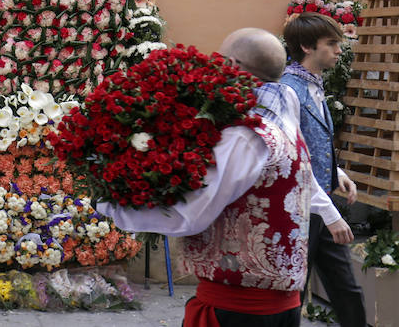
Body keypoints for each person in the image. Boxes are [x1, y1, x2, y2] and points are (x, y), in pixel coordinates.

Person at [97, 29, 353, 327]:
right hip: (278, 307)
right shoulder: (283, 119)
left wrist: (110, 207)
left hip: (240, 309)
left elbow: (192, 214)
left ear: (230, 65)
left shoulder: (245, 135)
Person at [281, 12, 367, 327]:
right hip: (299, 210)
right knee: (293, 293)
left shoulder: (314, 85)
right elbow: (293, 161)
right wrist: (332, 216)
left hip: (320, 203)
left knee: (347, 290)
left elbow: (313, 144)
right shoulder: (288, 90)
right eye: (331, 44)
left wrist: (337, 174)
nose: (338, 50)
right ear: (306, 46)